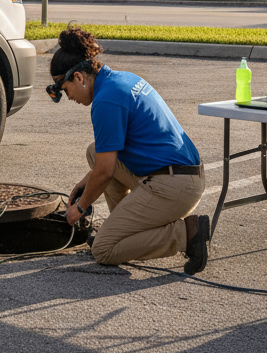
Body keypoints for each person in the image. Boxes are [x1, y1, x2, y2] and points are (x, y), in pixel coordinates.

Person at [51, 27, 209, 272]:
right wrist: (85, 183)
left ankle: (186, 233)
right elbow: (103, 163)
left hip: (174, 186)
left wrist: (79, 209)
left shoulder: (105, 102)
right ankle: (123, 232)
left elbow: (104, 172)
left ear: (80, 78)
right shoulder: (121, 79)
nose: (68, 96)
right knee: (95, 152)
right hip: (181, 173)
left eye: (65, 89)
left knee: (103, 250)